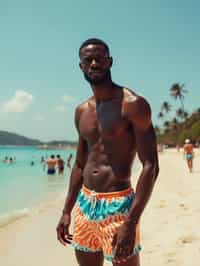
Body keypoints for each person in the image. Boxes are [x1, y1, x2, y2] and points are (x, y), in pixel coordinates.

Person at [56, 38, 159, 266]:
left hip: (118, 206)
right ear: (80, 66)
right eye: (88, 60)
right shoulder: (81, 111)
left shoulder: (133, 104)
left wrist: (131, 222)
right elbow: (80, 165)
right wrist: (66, 211)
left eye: (99, 58)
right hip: (85, 205)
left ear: (110, 62)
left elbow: (151, 165)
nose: (94, 63)